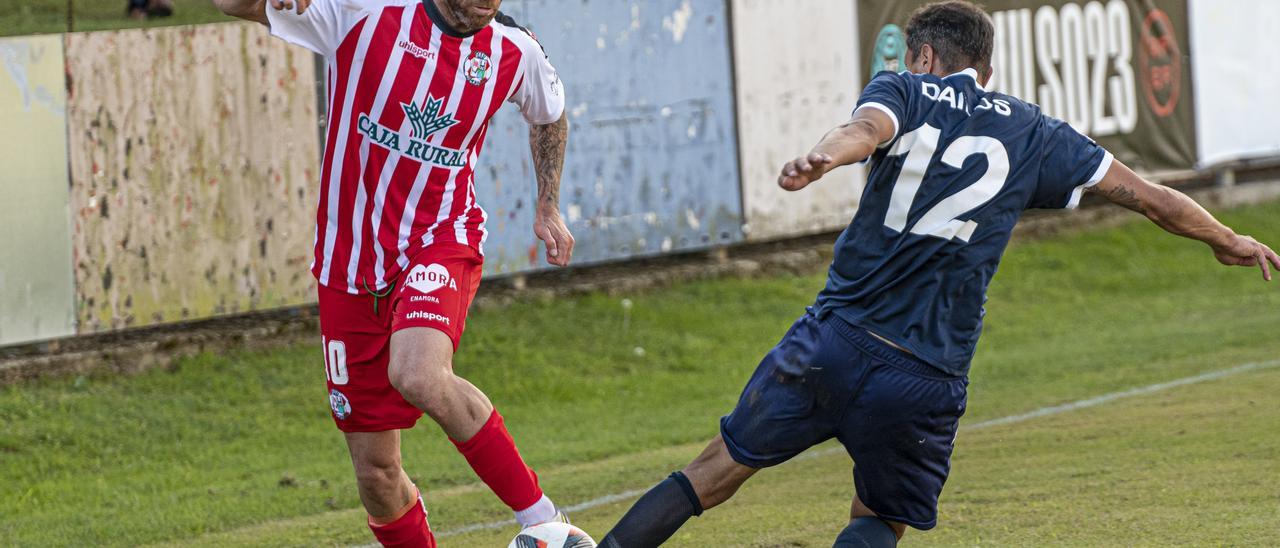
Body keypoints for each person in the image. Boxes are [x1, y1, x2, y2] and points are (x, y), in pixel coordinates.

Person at [597, 1, 1280, 546]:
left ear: (924, 56)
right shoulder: (1035, 132)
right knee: (877, 518)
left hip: (831, 343)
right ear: (983, 64)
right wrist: (1227, 238)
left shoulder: (905, 90)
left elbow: (864, 128)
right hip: (923, 376)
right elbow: (1153, 198)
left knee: (714, 471)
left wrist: (822, 158)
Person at [212, 0, 576, 546]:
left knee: (419, 373)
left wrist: (547, 203)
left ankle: (544, 521)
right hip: (348, 263)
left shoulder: (513, 48)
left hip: (441, 239)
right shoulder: (363, 11)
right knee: (377, 476)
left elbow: (550, 114)